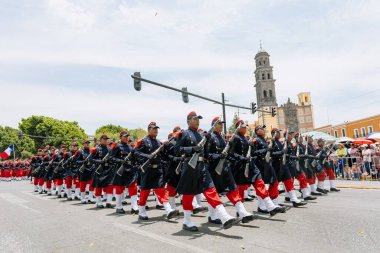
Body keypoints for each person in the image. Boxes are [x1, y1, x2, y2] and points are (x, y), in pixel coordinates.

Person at [174, 112, 240, 232]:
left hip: (201, 166)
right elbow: (177, 150)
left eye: (198, 119)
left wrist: (207, 141)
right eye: (195, 119)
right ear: (188, 121)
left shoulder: (201, 135)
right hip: (190, 165)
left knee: (211, 190)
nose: (197, 121)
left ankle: (224, 216)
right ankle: (187, 221)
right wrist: (192, 149)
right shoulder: (184, 134)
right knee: (188, 194)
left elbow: (206, 152)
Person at [206, 117, 254, 223]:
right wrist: (218, 156)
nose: (221, 125)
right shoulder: (210, 137)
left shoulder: (222, 137)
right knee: (215, 192)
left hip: (225, 167)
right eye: (219, 124)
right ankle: (212, 215)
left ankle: (242, 212)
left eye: (222, 124)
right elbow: (207, 154)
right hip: (214, 168)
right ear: (213, 125)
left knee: (233, 188)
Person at [134, 122, 177, 221]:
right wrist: (147, 156)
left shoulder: (158, 142)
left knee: (161, 189)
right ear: (149, 130)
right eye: (153, 128)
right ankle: (141, 212)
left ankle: (169, 210)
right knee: (145, 191)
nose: (156, 130)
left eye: (156, 128)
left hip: (157, 169)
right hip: (147, 169)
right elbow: (136, 153)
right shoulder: (143, 141)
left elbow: (163, 155)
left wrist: (166, 146)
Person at [109, 130, 139, 214]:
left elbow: (133, 158)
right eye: (124, 136)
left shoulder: (130, 147)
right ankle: (119, 206)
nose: (126, 138)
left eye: (127, 136)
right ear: (121, 137)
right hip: (120, 170)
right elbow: (111, 158)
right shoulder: (117, 146)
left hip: (129, 170)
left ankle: (134, 206)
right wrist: (120, 161)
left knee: (133, 187)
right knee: (119, 188)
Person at [90, 134, 115, 208]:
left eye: (106, 139)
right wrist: (100, 161)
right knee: (99, 186)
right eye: (104, 139)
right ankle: (98, 202)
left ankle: (109, 202)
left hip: (108, 169)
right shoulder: (96, 149)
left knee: (110, 185)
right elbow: (91, 160)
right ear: (100, 140)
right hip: (99, 169)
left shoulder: (109, 149)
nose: (105, 140)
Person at [77, 140, 96, 204]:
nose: (87, 144)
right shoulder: (80, 152)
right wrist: (83, 162)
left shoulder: (92, 152)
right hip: (83, 170)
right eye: (86, 143)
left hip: (91, 169)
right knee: (83, 184)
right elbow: (76, 161)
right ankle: (83, 198)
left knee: (91, 184)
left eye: (88, 143)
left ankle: (90, 198)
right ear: (83, 144)